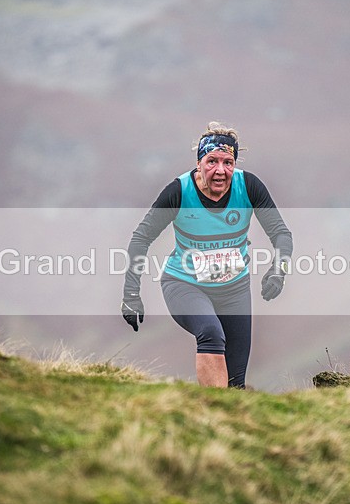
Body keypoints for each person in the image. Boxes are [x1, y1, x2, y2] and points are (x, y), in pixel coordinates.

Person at [121, 122, 293, 389]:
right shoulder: (179, 191)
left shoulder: (248, 187)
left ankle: (225, 424)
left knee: (235, 384)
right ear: (199, 163)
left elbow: (281, 233)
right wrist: (131, 295)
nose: (221, 170)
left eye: (228, 162)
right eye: (212, 161)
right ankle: (210, 409)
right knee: (211, 334)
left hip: (234, 290)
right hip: (184, 285)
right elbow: (141, 238)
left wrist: (278, 270)